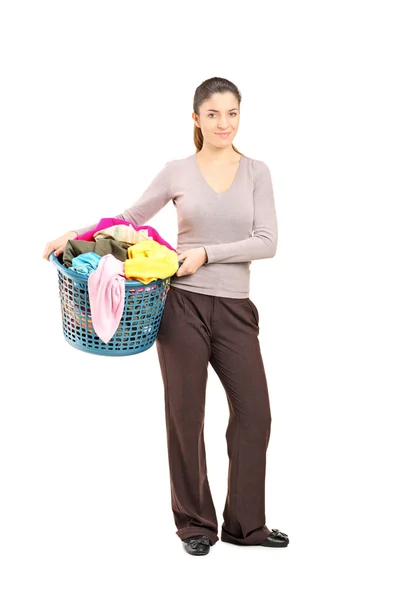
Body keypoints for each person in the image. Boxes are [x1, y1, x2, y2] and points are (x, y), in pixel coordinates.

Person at [43, 76, 289, 556]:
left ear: (241, 117)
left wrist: (205, 254)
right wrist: (75, 233)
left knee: (254, 414)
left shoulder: (257, 171)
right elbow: (130, 219)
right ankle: (195, 524)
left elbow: (268, 241)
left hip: (236, 310)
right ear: (196, 119)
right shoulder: (178, 170)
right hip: (181, 307)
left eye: (232, 113)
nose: (224, 123)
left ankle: (246, 525)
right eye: (213, 114)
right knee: (185, 415)